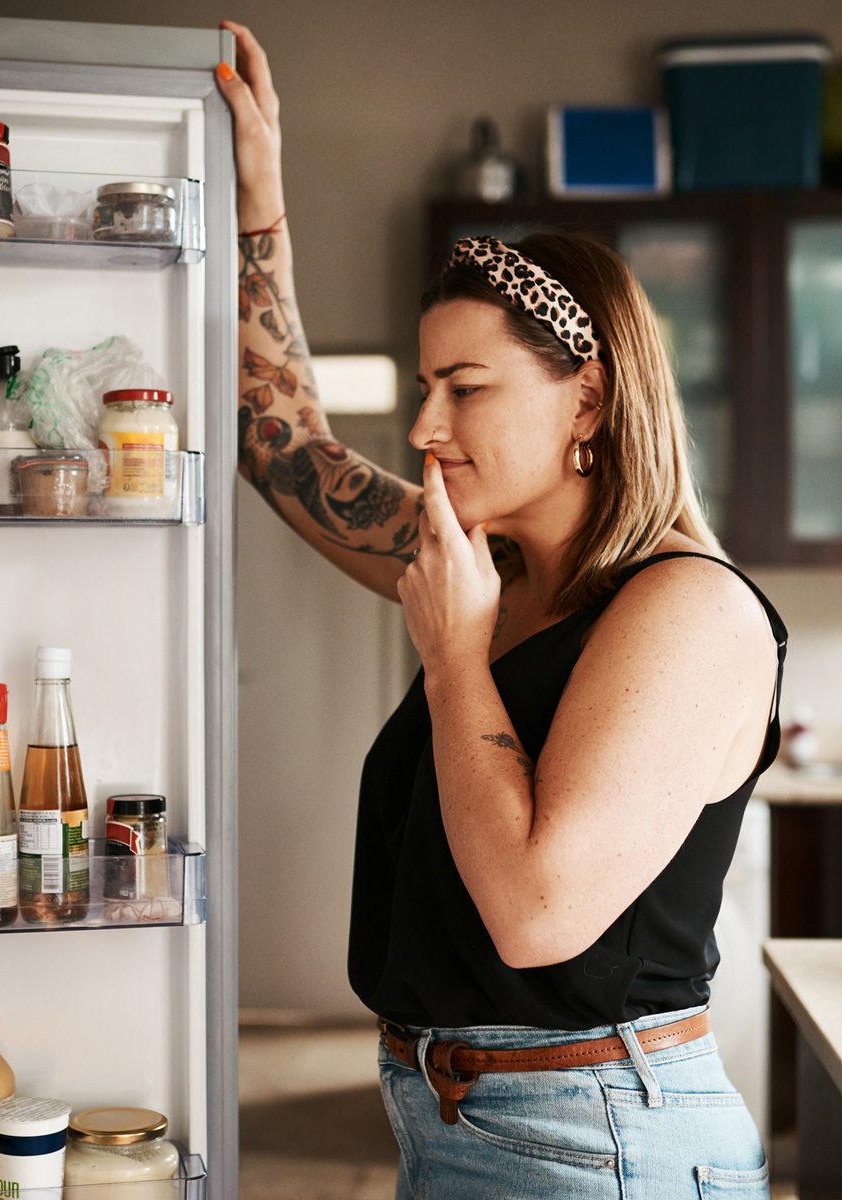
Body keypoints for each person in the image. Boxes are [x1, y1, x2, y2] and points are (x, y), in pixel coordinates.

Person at [216, 21, 786, 1199]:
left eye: (464, 388)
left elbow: (535, 915)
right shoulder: (490, 570)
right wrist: (259, 201)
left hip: (597, 1137)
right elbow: (283, 447)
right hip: (457, 1120)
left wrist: (455, 657)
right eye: (427, 386)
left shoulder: (688, 608)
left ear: (588, 399)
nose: (425, 427)